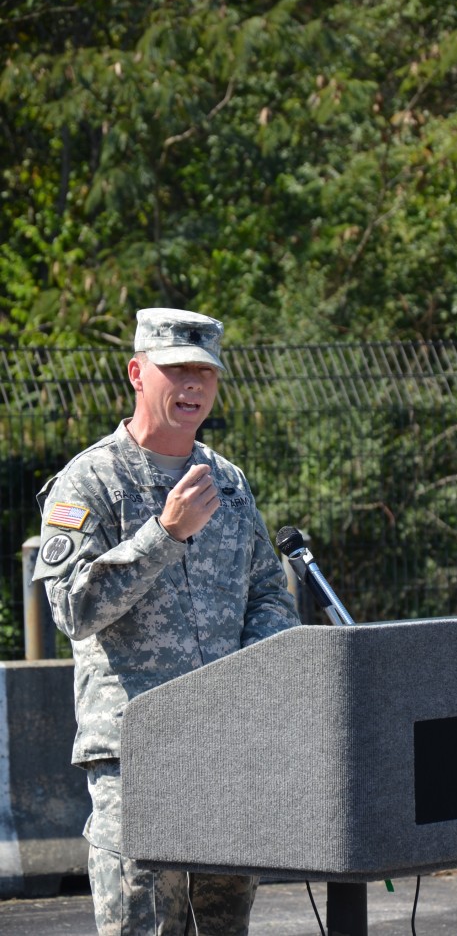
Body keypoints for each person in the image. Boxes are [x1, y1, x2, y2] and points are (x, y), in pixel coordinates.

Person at [33, 308, 300, 936]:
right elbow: (72, 609)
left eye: (205, 373)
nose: (194, 386)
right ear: (136, 373)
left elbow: (269, 590)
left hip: (225, 750)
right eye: (176, 369)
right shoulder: (90, 481)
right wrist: (164, 535)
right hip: (137, 756)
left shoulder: (227, 483)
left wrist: (249, 671)